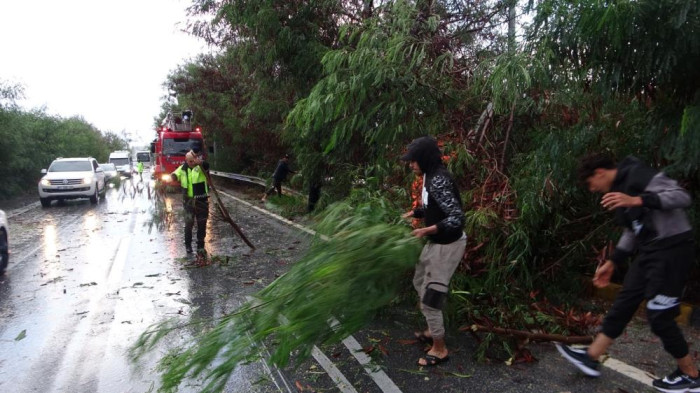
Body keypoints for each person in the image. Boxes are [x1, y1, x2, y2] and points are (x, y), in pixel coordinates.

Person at [556, 154, 697, 392]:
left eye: (591, 184)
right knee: (624, 302)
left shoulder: (637, 175)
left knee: (659, 315)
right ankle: (591, 357)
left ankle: (690, 374)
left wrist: (637, 200)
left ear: (599, 173)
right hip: (649, 252)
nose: (593, 190)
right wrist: (613, 262)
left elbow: (682, 197)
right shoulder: (619, 191)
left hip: (673, 248)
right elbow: (632, 231)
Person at [400, 136, 467, 367]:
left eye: (414, 161)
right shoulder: (428, 175)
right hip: (435, 240)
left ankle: (440, 349)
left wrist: (427, 230)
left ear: (425, 159)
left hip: (448, 245)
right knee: (419, 280)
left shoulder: (439, 179)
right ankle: (432, 328)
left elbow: (457, 218)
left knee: (430, 298)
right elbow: (434, 206)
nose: (411, 165)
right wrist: (416, 213)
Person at [172, 150, 210, 255]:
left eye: (193, 160)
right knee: (189, 224)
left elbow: (207, 166)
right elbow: (175, 174)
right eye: (189, 161)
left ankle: (200, 246)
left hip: (201, 200)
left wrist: (200, 162)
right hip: (188, 201)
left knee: (202, 224)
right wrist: (173, 177)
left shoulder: (200, 167)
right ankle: (188, 245)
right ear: (186, 161)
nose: (191, 163)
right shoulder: (183, 168)